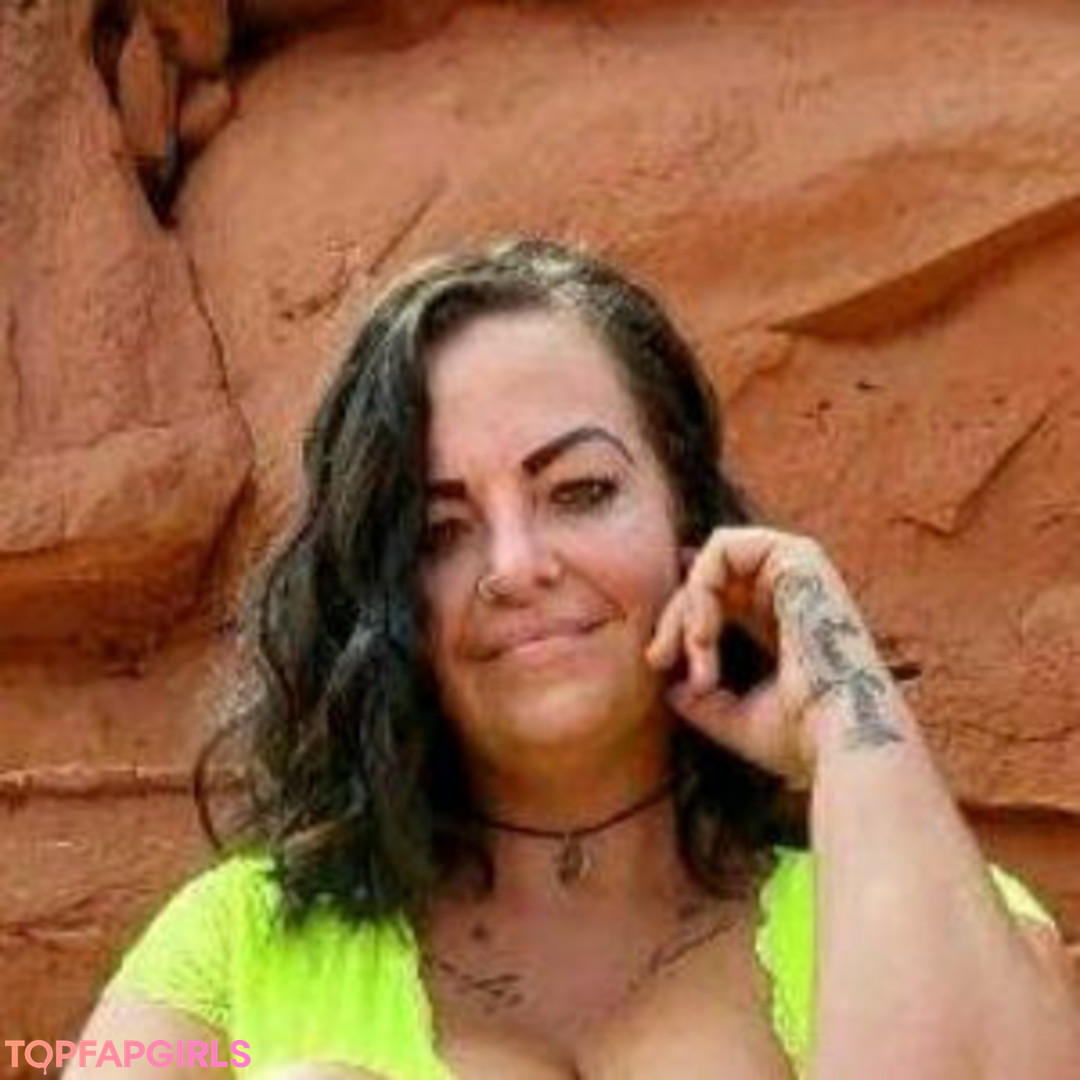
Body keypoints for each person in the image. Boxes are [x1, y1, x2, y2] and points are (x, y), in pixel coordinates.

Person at [66, 238, 1080, 1079]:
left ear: (687, 514)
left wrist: (848, 722)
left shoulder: (928, 905)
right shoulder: (227, 948)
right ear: (379, 598)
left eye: (581, 492)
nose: (515, 567)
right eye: (438, 532)